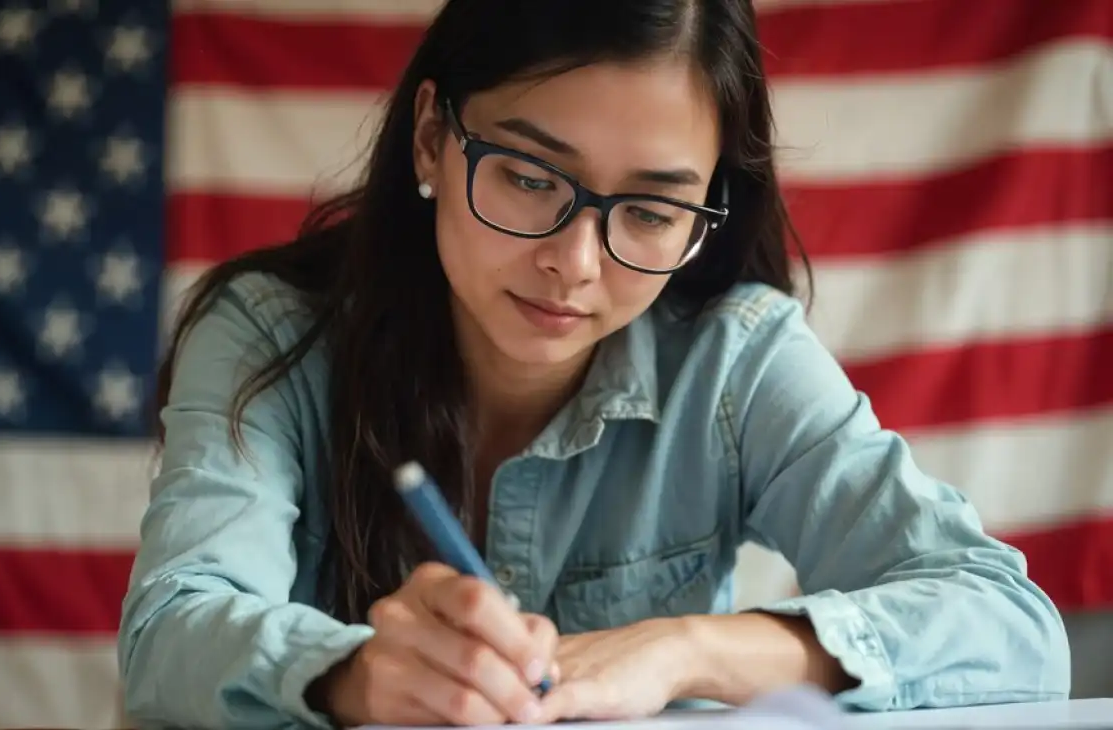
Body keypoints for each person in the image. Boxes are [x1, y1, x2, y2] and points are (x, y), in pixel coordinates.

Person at [117, 0, 1072, 727]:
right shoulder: (268, 336)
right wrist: (355, 673)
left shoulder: (737, 362)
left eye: (652, 213)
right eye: (531, 179)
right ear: (431, 140)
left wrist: (685, 651)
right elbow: (171, 629)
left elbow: (1007, 625)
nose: (575, 266)